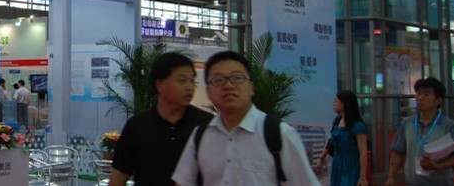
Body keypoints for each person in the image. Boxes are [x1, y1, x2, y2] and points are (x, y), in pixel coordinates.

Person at [171, 50, 319, 186]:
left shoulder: (280, 135)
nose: (228, 85)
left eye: (237, 78)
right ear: (208, 92)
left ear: (251, 87)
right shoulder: (200, 135)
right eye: (218, 80)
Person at [109, 52, 212, 186]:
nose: (189, 87)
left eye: (192, 81)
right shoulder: (137, 126)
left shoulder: (205, 124)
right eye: (182, 80)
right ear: (160, 85)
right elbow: (118, 178)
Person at [385, 77, 454, 186]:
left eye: (426, 94)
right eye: (418, 93)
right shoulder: (407, 123)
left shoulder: (449, 126)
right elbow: (398, 152)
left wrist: (438, 166)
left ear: (438, 100)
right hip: (412, 183)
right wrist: (391, 177)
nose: (420, 98)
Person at [313, 90, 368, 186]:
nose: (333, 103)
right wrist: (321, 158)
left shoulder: (358, 126)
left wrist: (362, 177)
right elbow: (331, 142)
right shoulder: (337, 122)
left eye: (336, 101)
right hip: (337, 164)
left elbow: (363, 152)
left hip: (351, 166)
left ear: (344, 104)